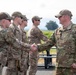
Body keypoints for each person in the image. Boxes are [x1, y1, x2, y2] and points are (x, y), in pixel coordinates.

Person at [37, 9, 76, 75]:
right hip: (59, 65)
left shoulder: (74, 29)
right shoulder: (57, 31)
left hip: (71, 66)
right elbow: (49, 43)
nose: (58, 18)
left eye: (59, 17)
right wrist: (37, 48)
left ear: (66, 17)